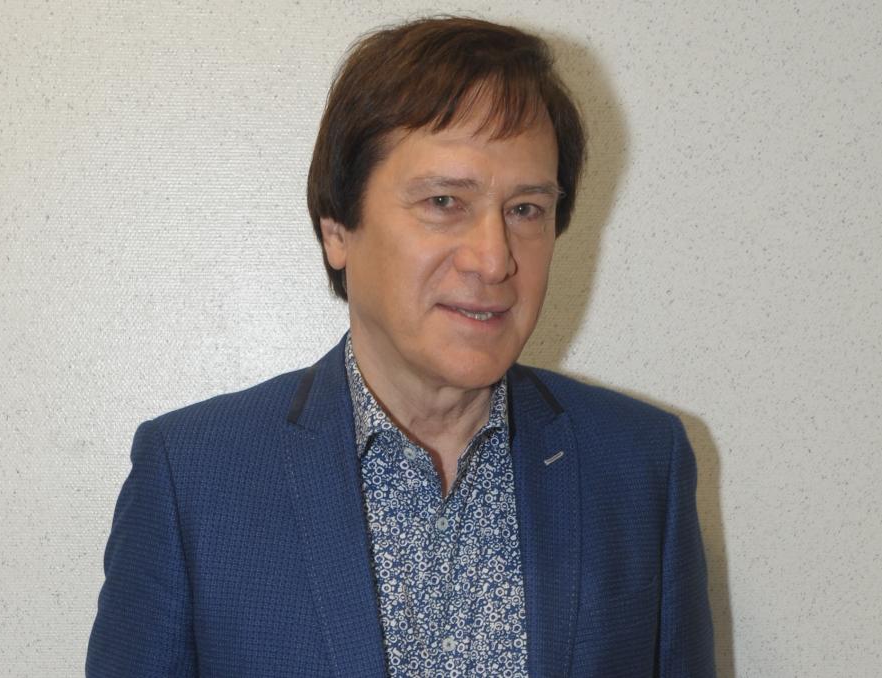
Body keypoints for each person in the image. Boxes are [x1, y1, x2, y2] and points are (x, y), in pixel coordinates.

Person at [87, 16, 715, 678]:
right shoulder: (193, 479)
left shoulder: (640, 463)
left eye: (525, 210)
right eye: (444, 201)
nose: (494, 259)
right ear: (337, 228)